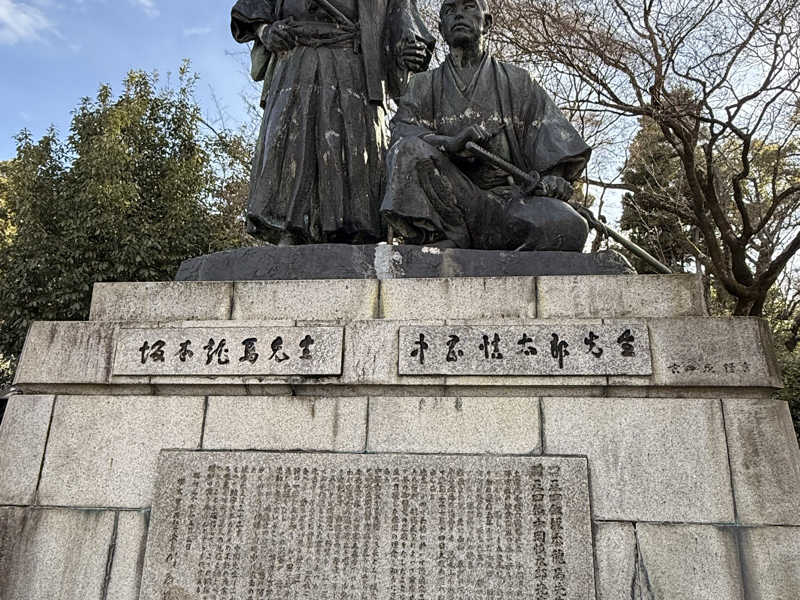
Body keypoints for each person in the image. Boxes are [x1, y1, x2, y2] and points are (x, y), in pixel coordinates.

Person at [380, 0, 591, 251]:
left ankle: (494, 248)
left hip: (509, 204)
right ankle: (449, 236)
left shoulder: (518, 81)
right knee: (408, 149)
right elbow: (401, 134)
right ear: (442, 28)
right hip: (449, 200)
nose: (459, 15)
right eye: (450, 10)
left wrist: (553, 179)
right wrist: (449, 144)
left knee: (571, 226)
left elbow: (555, 142)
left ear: (487, 23)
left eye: (469, 7)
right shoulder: (422, 84)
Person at [231, 0, 434, 245]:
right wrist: (265, 31)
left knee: (355, 147)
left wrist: (408, 49)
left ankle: (355, 231)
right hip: (294, 56)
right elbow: (252, 7)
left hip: (354, 62)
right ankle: (290, 229)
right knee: (291, 143)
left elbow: (403, 21)